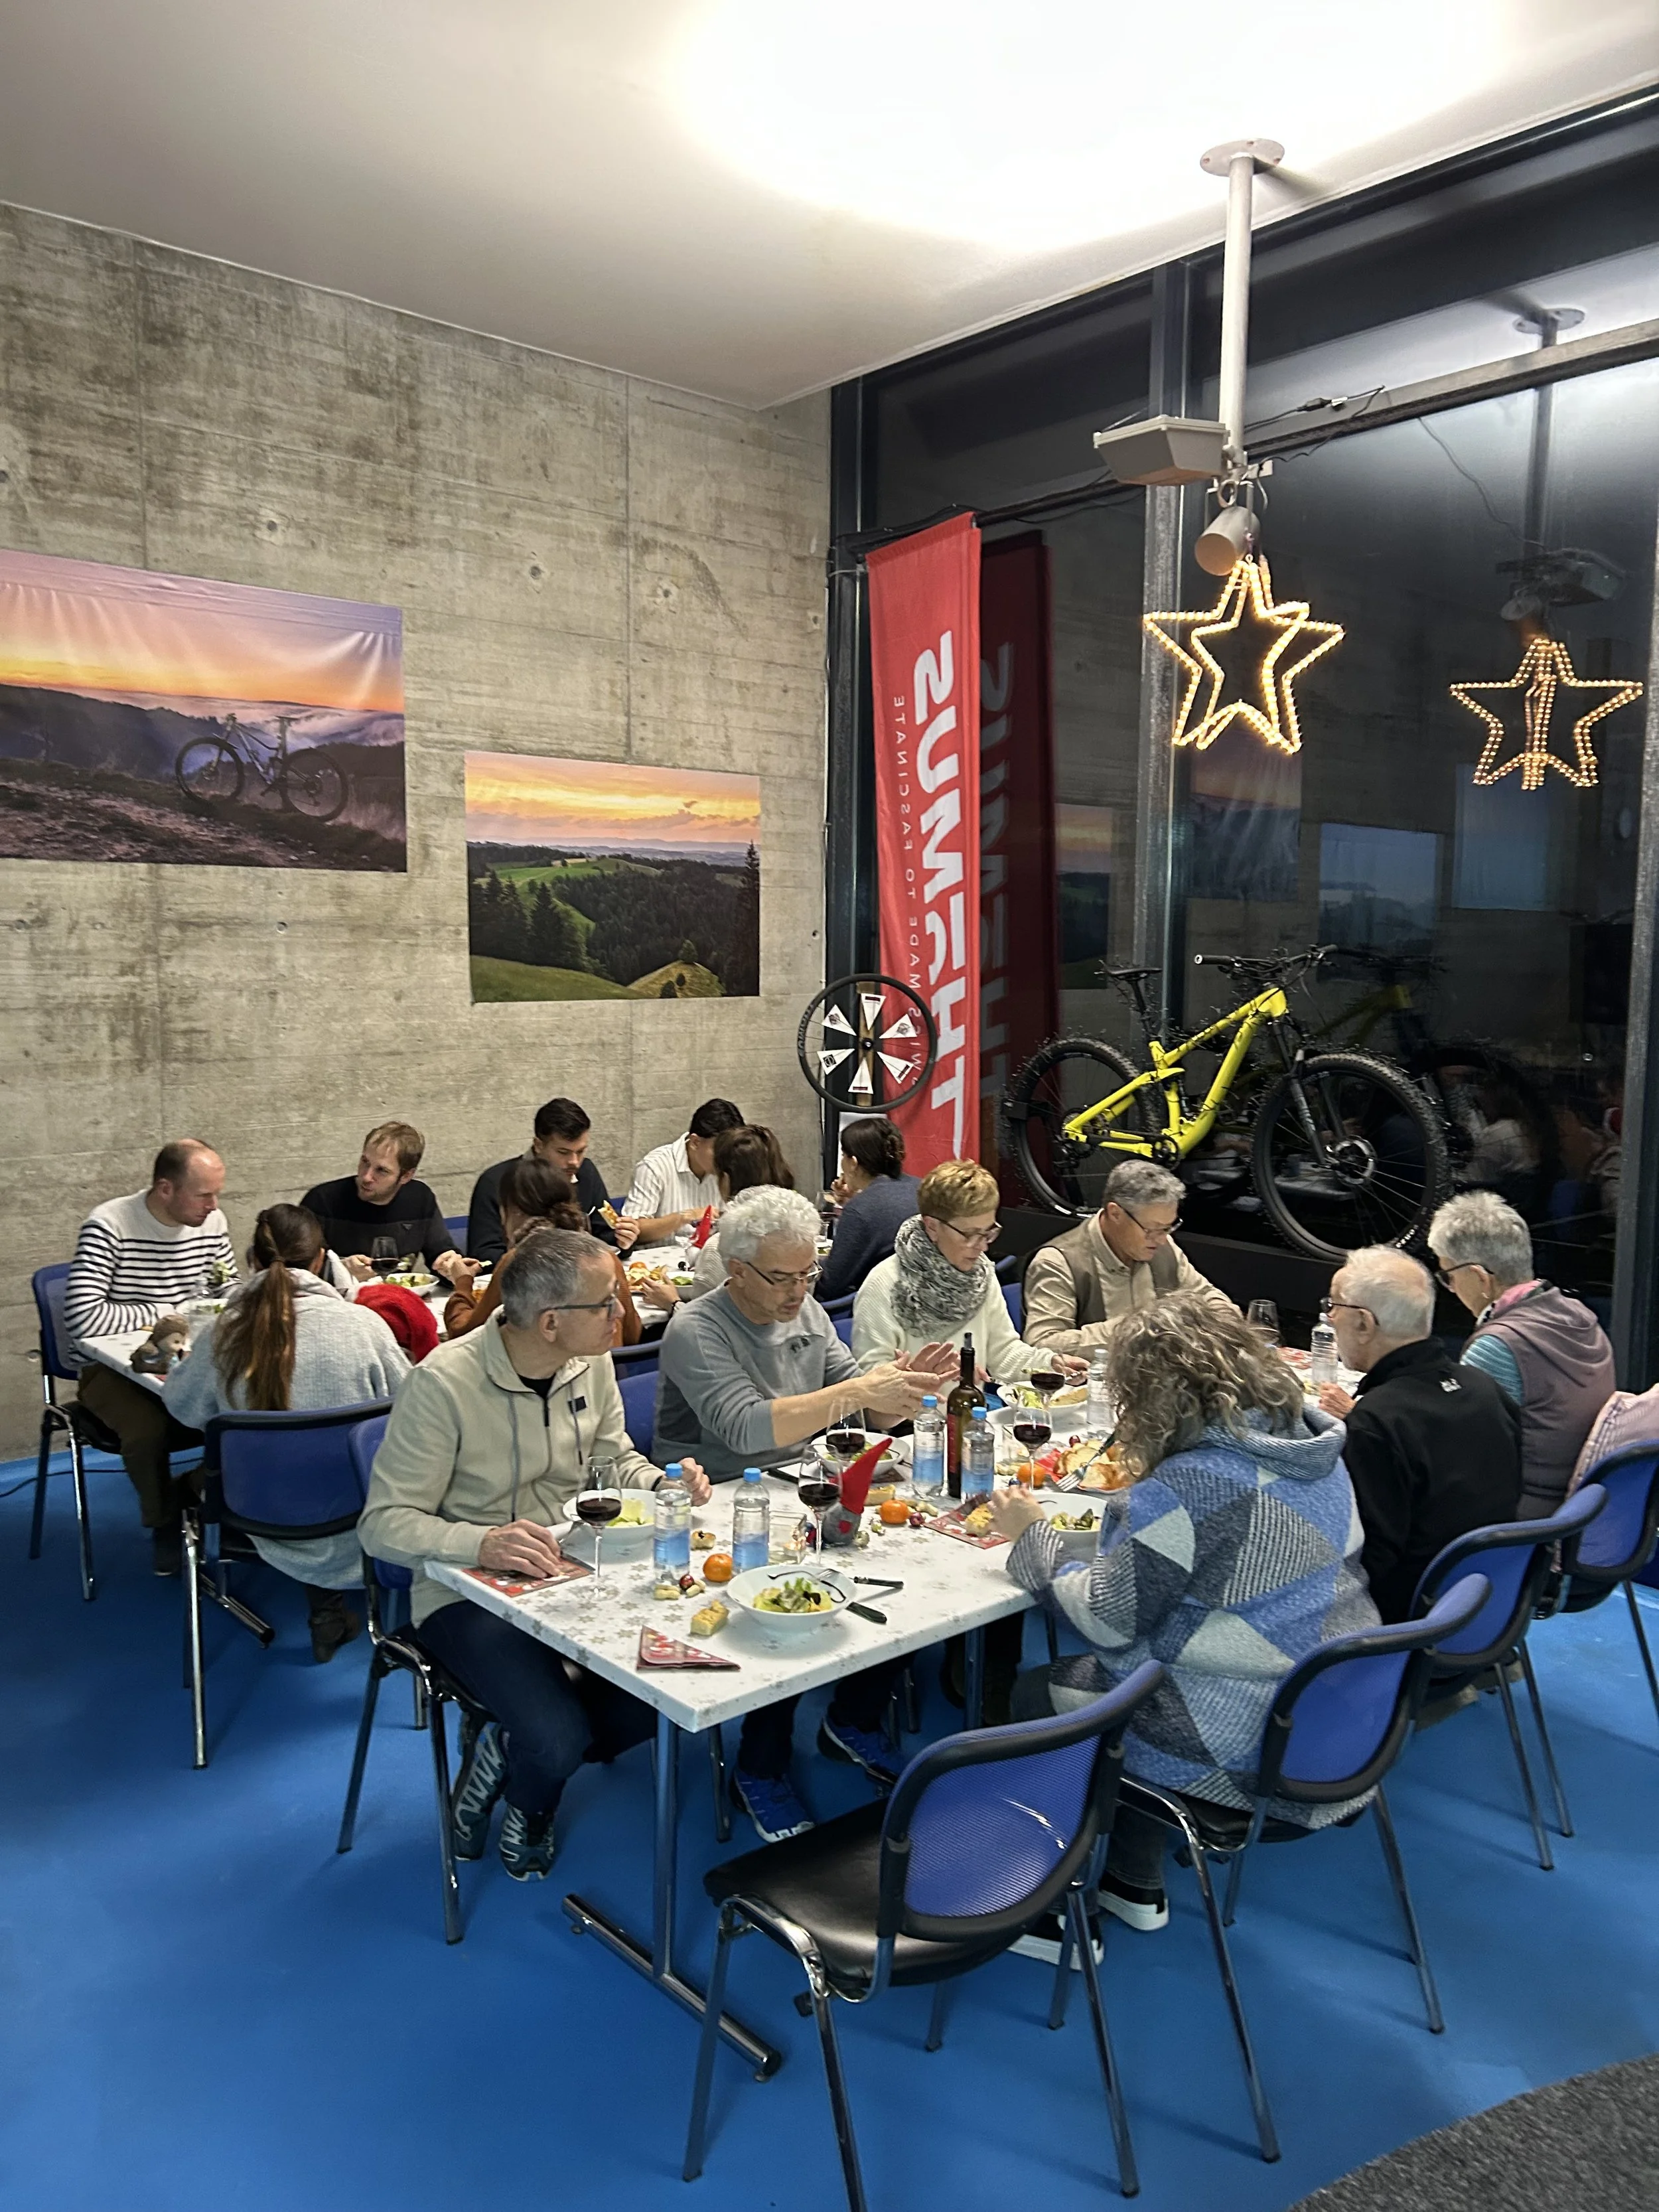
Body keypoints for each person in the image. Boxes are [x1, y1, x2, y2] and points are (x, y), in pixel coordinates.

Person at [989, 1293, 1380, 1945]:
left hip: (1245, 1746)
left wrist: (1032, 1540)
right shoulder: (1314, 1446)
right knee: (1149, 1676)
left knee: (1047, 1690)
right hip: (1333, 1718)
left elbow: (1107, 1621)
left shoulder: (1192, 1486)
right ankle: (1131, 1880)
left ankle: (1040, 1907)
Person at [360, 1228, 710, 1881]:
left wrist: (660, 1486)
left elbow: (612, 1459)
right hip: (465, 1590)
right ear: (551, 1322)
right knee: (557, 1738)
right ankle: (532, 1803)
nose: (622, 1314)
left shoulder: (590, 1361)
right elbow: (382, 1526)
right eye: (607, 1302)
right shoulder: (443, 1384)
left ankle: (506, 1745)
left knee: (670, 1690)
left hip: (576, 1568)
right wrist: (480, 1541)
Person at [654, 1185, 952, 1843]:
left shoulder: (807, 1311)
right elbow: (743, 1429)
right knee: (786, 1617)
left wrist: (904, 1392)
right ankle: (759, 1766)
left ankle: (853, 1719)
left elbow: (861, 1412)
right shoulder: (695, 1329)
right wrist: (857, 1391)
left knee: (913, 1579)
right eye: (781, 1278)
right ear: (735, 1271)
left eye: (807, 1273)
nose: (797, 1291)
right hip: (719, 1503)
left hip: (799, 1486)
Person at [162, 1204, 410, 1660]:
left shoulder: (226, 1332)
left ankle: (179, 1566)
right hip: (358, 1508)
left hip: (255, 1511)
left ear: (253, 1261)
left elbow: (182, 1409)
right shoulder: (364, 1327)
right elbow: (412, 1410)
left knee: (187, 1486)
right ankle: (329, 1610)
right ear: (322, 1260)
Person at [1317, 1246, 1522, 1621]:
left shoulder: (1377, 1424)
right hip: (1488, 1608)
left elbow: (1366, 1562)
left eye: (1334, 1306)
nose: (1328, 1318)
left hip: (1409, 1630)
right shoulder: (1486, 1390)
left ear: (1365, 1323)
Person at [65, 1140, 237, 1576]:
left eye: (216, 1194)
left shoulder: (212, 1222)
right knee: (148, 1430)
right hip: (109, 1367)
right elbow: (83, 1318)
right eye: (203, 1195)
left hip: (188, 1352)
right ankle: (164, 1522)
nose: (213, 1206)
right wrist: (170, 1310)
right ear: (166, 1188)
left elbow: (226, 1291)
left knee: (251, 1410)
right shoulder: (109, 1224)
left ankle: (188, 1494)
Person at [1429, 1190, 1615, 1520]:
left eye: (1449, 1276)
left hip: (1518, 1522)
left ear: (1478, 1277)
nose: (1451, 1289)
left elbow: (1462, 1458)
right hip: (1578, 1508)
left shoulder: (1496, 1347)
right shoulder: (1580, 1317)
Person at [852, 1159, 1083, 1391]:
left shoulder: (981, 1274)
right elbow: (871, 1384)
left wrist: (1050, 1364)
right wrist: (926, 1376)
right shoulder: (884, 1284)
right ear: (932, 1226)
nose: (982, 1247)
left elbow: (1003, 1353)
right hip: (912, 1423)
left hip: (970, 1417)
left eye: (989, 1232)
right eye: (969, 1234)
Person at [1021, 1159, 1234, 1357]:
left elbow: (1206, 1295)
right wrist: (1138, 1328)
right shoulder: (1058, 1262)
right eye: (1152, 1229)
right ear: (1115, 1214)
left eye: (1168, 1228)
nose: (1161, 1240)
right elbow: (1041, 1343)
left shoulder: (1162, 1244)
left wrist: (1225, 1318)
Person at [445, 1155, 644, 1346]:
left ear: (513, 1211)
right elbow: (632, 1334)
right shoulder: (605, 1257)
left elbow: (464, 1333)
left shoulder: (520, 1261)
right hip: (609, 1372)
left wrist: (463, 1283)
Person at [302, 1122, 476, 1287]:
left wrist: (452, 1270)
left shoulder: (420, 1199)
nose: (366, 1177)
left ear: (406, 1176)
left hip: (396, 1301)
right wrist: (340, 1272)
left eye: (382, 1171)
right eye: (365, 1162)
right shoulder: (323, 1201)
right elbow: (294, 1274)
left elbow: (441, 1257)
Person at [465, 1096, 619, 1265]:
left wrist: (624, 1239)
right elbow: (484, 1255)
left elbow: (606, 1236)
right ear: (538, 1145)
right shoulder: (496, 1181)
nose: (574, 1162)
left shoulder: (586, 1172)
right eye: (563, 1152)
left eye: (581, 1151)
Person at [679, 1124, 796, 1299]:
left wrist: (672, 1302)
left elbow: (701, 1321)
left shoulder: (721, 1248)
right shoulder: (801, 1232)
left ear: (725, 1179)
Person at [814, 1116, 920, 1302]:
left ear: (853, 1163)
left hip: (881, 1306)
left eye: (843, 1156)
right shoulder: (922, 1188)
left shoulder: (861, 1210)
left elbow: (830, 1285)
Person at [621, 1097, 744, 1246]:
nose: (727, 1158)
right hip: (659, 1263)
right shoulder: (654, 1166)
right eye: (720, 1151)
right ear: (695, 1142)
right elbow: (633, 1231)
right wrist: (685, 1217)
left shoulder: (729, 1168)